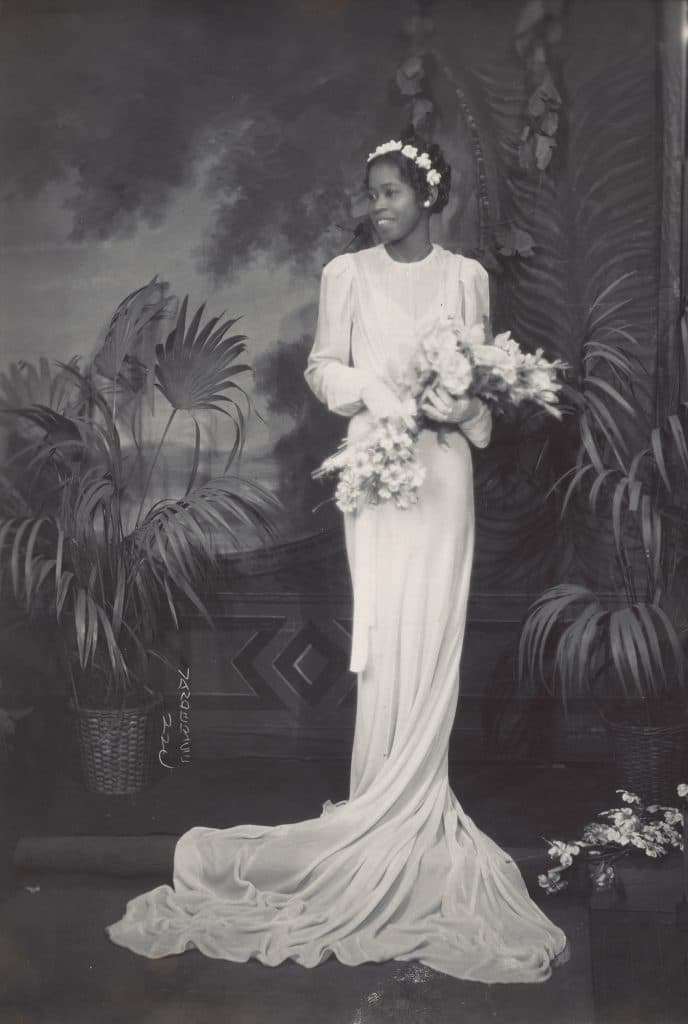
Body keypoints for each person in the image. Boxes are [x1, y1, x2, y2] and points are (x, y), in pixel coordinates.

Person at [106, 132, 568, 984]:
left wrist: (460, 403)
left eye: (390, 192)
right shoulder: (345, 275)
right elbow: (324, 369)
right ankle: (379, 803)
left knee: (435, 633)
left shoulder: (466, 277)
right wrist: (383, 393)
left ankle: (419, 798)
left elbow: (481, 385)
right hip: (376, 469)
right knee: (387, 635)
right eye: (371, 194)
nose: (376, 206)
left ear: (428, 198)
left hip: (444, 472)